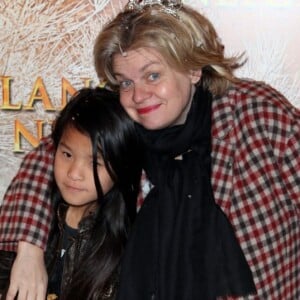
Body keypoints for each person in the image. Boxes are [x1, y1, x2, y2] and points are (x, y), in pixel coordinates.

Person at [1, 0, 300, 299]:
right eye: (126, 82)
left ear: (193, 68)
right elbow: (45, 162)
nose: (139, 96)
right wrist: (29, 250)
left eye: (153, 75)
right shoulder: (123, 120)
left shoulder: (255, 112)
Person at [0, 87, 142, 300]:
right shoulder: (28, 218)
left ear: (120, 166)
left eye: (94, 162)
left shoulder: (129, 242)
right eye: (67, 154)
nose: (74, 173)